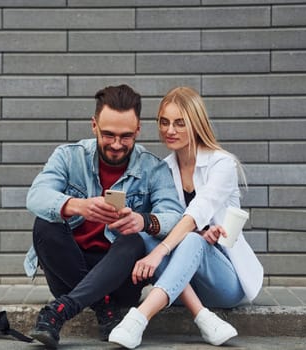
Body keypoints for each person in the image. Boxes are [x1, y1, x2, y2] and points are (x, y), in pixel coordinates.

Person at [23, 84, 184, 348]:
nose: (117, 144)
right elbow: (36, 196)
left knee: (135, 239)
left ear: (138, 130)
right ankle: (102, 306)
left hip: (120, 276)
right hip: (68, 273)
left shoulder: (153, 168)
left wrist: (144, 221)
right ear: (94, 125)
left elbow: (176, 217)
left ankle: (61, 310)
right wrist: (76, 205)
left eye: (126, 136)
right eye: (108, 134)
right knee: (46, 224)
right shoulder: (69, 156)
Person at [109, 86, 264, 348]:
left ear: (196, 123)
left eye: (180, 123)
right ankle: (204, 318)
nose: (170, 130)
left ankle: (138, 319)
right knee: (146, 232)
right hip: (184, 283)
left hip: (225, 279)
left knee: (192, 241)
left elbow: (198, 211)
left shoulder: (221, 164)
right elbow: (162, 222)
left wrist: (163, 252)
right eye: (165, 122)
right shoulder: (164, 169)